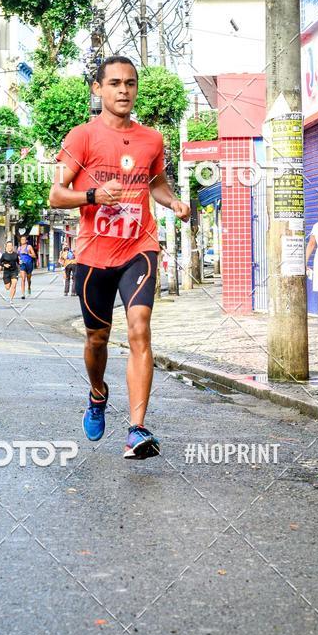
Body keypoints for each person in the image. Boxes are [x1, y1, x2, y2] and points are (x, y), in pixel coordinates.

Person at [50, 55, 190, 459]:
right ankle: (97, 392)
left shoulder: (152, 139)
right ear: (98, 89)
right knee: (97, 339)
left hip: (139, 247)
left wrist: (174, 202)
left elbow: (156, 185)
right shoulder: (81, 137)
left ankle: (137, 428)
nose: (123, 90)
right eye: (114, 83)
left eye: (130, 83)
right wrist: (93, 195)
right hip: (95, 252)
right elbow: (56, 195)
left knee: (140, 328)